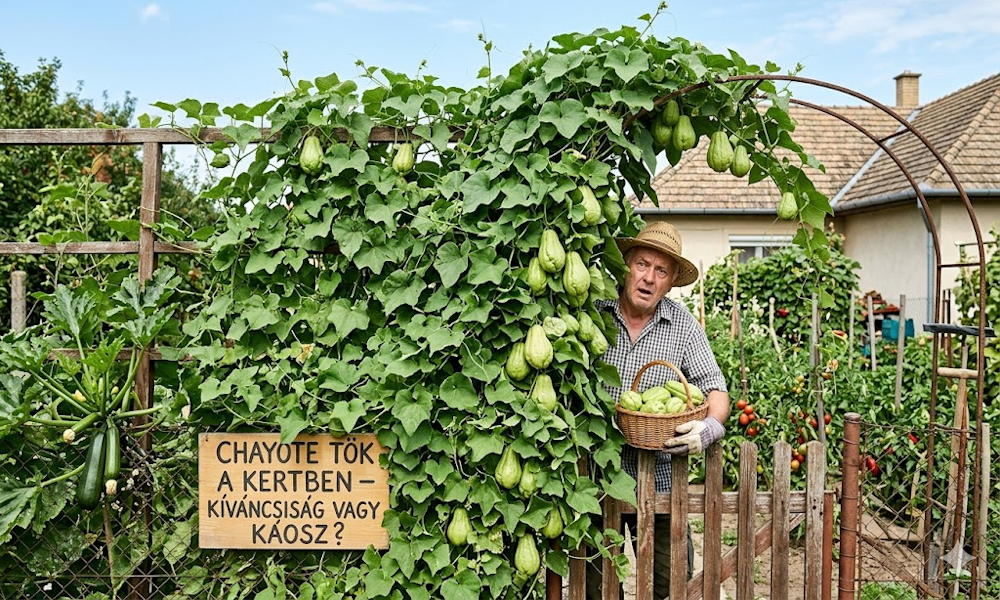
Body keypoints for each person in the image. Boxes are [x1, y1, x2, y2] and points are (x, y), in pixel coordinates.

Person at [586, 220, 731, 600]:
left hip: (663, 480)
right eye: (642, 265)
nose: (649, 278)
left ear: (670, 282)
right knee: (597, 589)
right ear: (625, 267)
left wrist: (710, 428)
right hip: (598, 479)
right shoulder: (594, 314)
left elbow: (715, 387)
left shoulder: (682, 325)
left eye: (661, 270)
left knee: (670, 584)